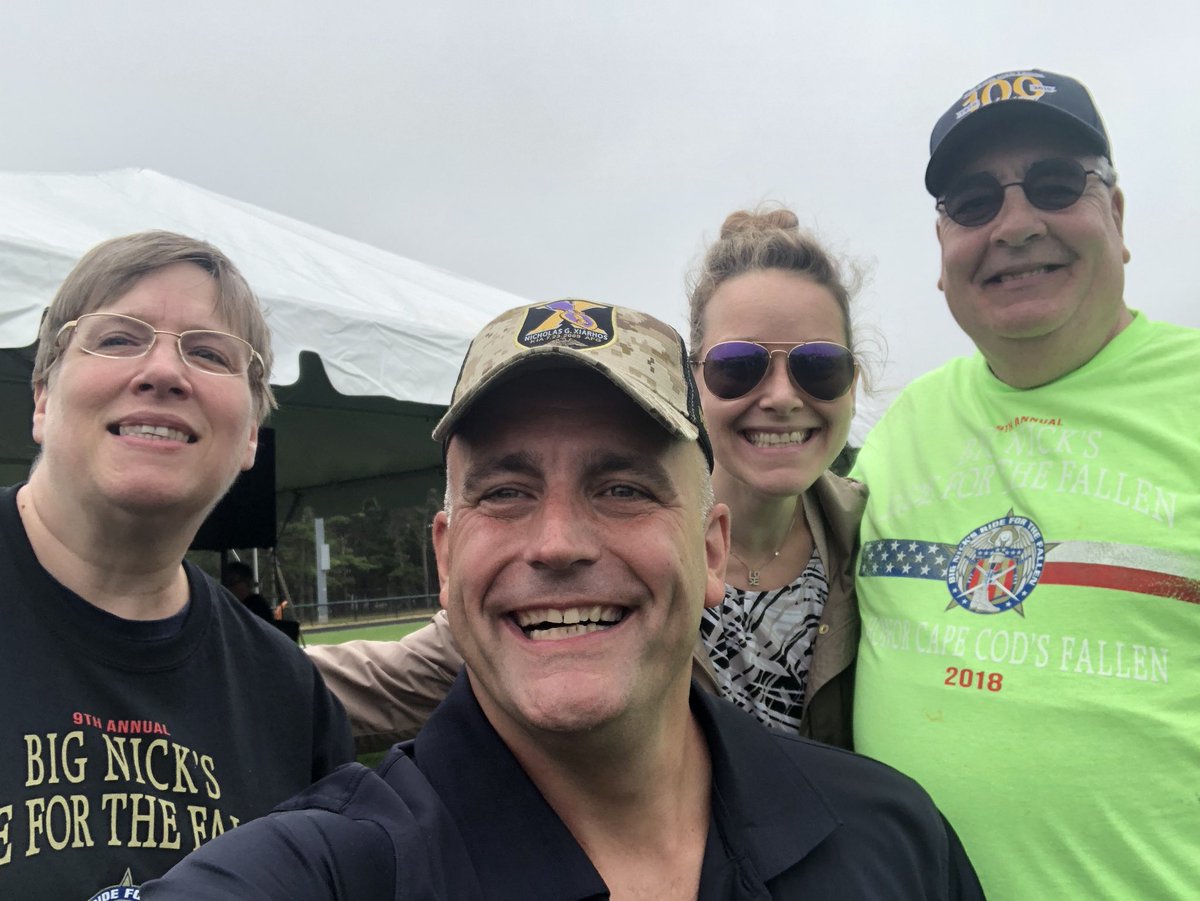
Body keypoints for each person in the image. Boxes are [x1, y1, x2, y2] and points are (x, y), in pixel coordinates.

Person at [143, 300, 981, 899]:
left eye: (622, 487)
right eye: (504, 492)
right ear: (446, 554)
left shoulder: (891, 837)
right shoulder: (335, 868)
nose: (556, 542)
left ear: (712, 546)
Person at [309, 211, 867, 750]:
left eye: (819, 366)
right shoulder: (577, 567)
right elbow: (372, 682)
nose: (781, 397)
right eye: (738, 366)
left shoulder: (884, 532)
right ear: (692, 383)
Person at [851, 69, 1200, 899]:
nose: (1014, 225)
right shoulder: (900, 429)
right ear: (942, 251)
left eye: (1054, 185)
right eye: (973, 202)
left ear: (1116, 217)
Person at [0, 231, 354, 897]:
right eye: (117, 338)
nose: (164, 371)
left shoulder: (289, 697)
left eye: (210, 352)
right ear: (42, 398)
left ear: (251, 433)